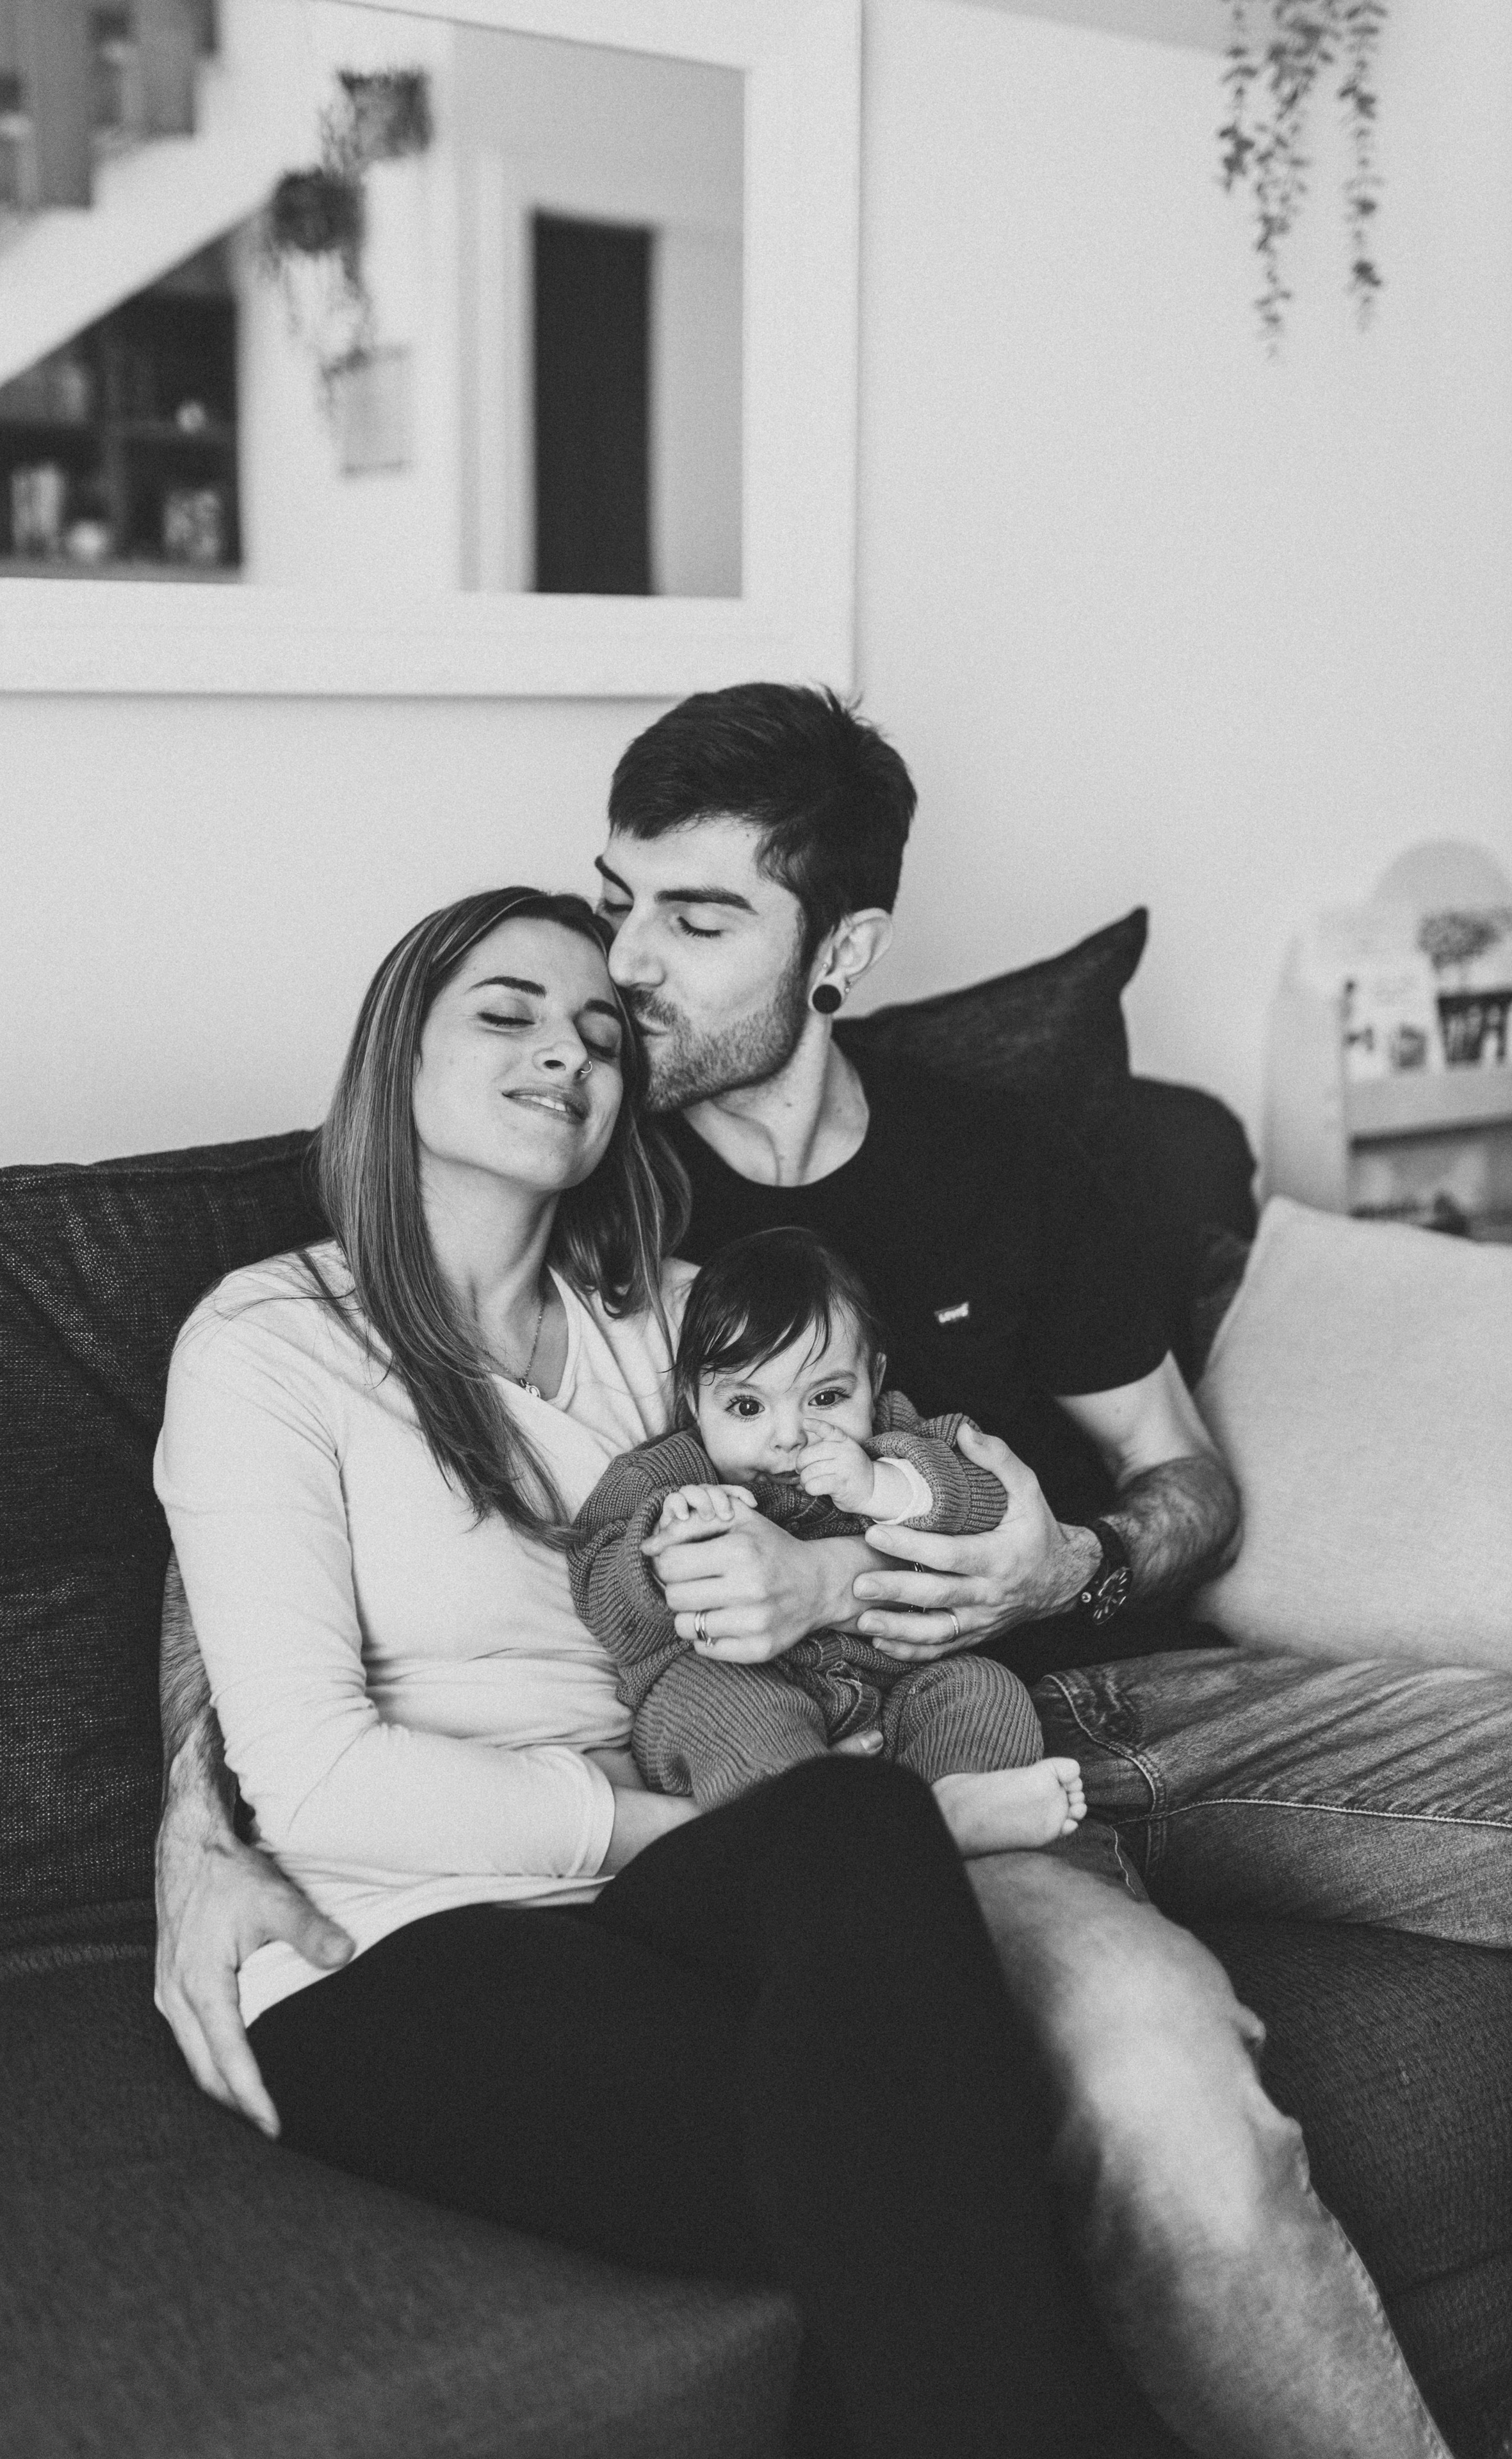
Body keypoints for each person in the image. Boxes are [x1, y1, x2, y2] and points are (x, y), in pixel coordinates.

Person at [151, 687, 1509, 2456]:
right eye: (612, 902)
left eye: (693, 921)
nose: (621, 977)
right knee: (1122, 2080)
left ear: (842, 947)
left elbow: (1187, 1482)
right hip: (870, 1768)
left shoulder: (974, 1171)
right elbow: (272, 1523)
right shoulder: (595, 1207)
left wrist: (1069, 1557)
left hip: (1101, 1686)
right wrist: (198, 1828)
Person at [152, 883, 1133, 2459]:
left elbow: (889, 1474)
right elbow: (312, 1775)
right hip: (398, 1935)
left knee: (852, 1853)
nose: (568, 1052)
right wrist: (656, 1827)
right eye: (509, 1013)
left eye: (602, 1032)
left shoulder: (680, 1327)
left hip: (681, 1888)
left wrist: (961, 1512)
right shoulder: (269, 1343)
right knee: (909, 2180)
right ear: (395, 1048)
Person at [569, 1223, 1087, 1853]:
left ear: (874, 1380)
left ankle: (951, 1802)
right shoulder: (667, 1474)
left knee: (983, 1688)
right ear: (691, 1401)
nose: (789, 1436)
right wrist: (665, 1544)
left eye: (826, 1397)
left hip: (886, 1692)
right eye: (746, 1408)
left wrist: (885, 1488)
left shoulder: (895, 1440)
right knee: (737, 1714)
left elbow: (990, 1503)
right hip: (730, 1685)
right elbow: (597, 1589)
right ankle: (826, 1839)